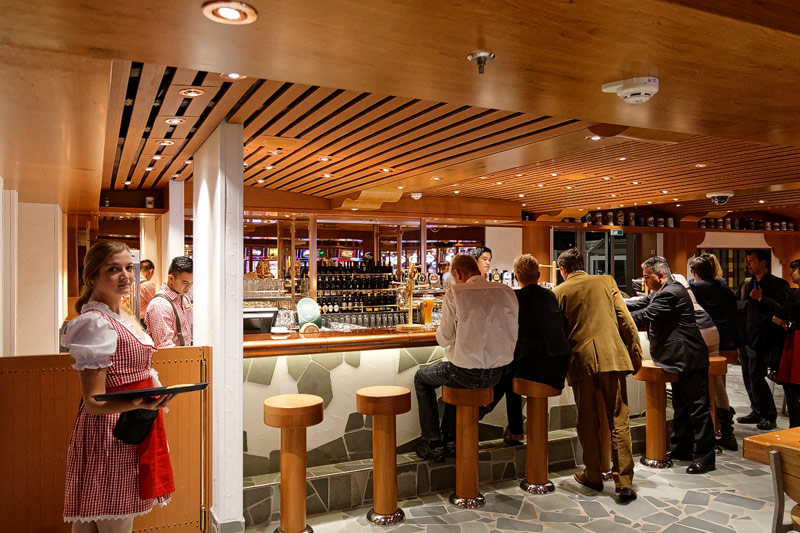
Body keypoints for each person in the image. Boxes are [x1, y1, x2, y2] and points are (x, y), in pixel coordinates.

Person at [63, 241, 174, 532]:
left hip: (133, 423)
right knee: (115, 521)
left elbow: (138, 370)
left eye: (128, 267)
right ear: (92, 277)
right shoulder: (95, 323)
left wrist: (153, 396)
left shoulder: (123, 315)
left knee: (93, 526)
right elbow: (93, 402)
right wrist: (141, 403)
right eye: (113, 269)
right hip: (111, 431)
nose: (125, 275)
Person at [552, 248, 642, 502]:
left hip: (581, 361)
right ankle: (624, 482)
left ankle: (592, 473)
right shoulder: (606, 281)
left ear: (562, 270)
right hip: (612, 356)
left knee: (587, 420)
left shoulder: (558, 292)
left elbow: (558, 333)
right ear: (583, 264)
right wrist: (635, 351)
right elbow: (625, 318)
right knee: (619, 418)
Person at [414, 254, 518, 462]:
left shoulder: (456, 292)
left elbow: (444, 339)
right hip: (497, 375)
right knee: (455, 378)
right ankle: (451, 440)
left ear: (457, 274)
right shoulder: (507, 291)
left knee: (422, 378)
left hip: (464, 373)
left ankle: (432, 442)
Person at [627, 256, 716, 474]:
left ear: (660, 275)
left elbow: (647, 314)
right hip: (678, 358)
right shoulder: (663, 290)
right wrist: (617, 305)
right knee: (681, 407)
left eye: (646, 277)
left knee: (698, 409)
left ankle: (705, 458)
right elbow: (643, 303)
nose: (644, 281)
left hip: (688, 356)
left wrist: (617, 318)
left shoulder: (672, 292)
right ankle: (681, 449)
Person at [479, 255, 571, 446]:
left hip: (535, 370)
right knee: (510, 370)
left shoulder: (515, 299)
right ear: (538, 275)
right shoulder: (550, 296)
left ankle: (485, 407)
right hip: (559, 367)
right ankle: (505, 422)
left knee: (507, 371)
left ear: (515, 276)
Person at [689, 255, 739, 450]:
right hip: (724, 337)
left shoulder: (695, 287)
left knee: (702, 383)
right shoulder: (723, 286)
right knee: (717, 382)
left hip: (704, 335)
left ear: (694, 272)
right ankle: (726, 430)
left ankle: (704, 433)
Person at [736, 249, 790, 430]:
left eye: (752, 260)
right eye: (747, 260)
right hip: (746, 335)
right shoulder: (747, 283)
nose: (748, 264)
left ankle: (769, 414)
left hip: (764, 337)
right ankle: (757, 410)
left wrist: (761, 299)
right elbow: (737, 303)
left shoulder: (778, 284)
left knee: (757, 375)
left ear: (763, 262)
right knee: (748, 376)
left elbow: (782, 309)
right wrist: (748, 303)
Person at [773, 259, 800, 427]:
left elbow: (778, 315)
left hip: (797, 341)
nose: (791, 273)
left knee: (793, 388)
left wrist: (783, 321)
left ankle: (795, 430)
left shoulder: (797, 296)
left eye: (794, 270)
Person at [145, 256, 194, 348]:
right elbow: (164, 345)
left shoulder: (185, 299)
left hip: (185, 354)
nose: (188, 287)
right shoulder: (160, 305)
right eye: (184, 282)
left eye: (191, 283)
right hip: (171, 356)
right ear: (171, 278)